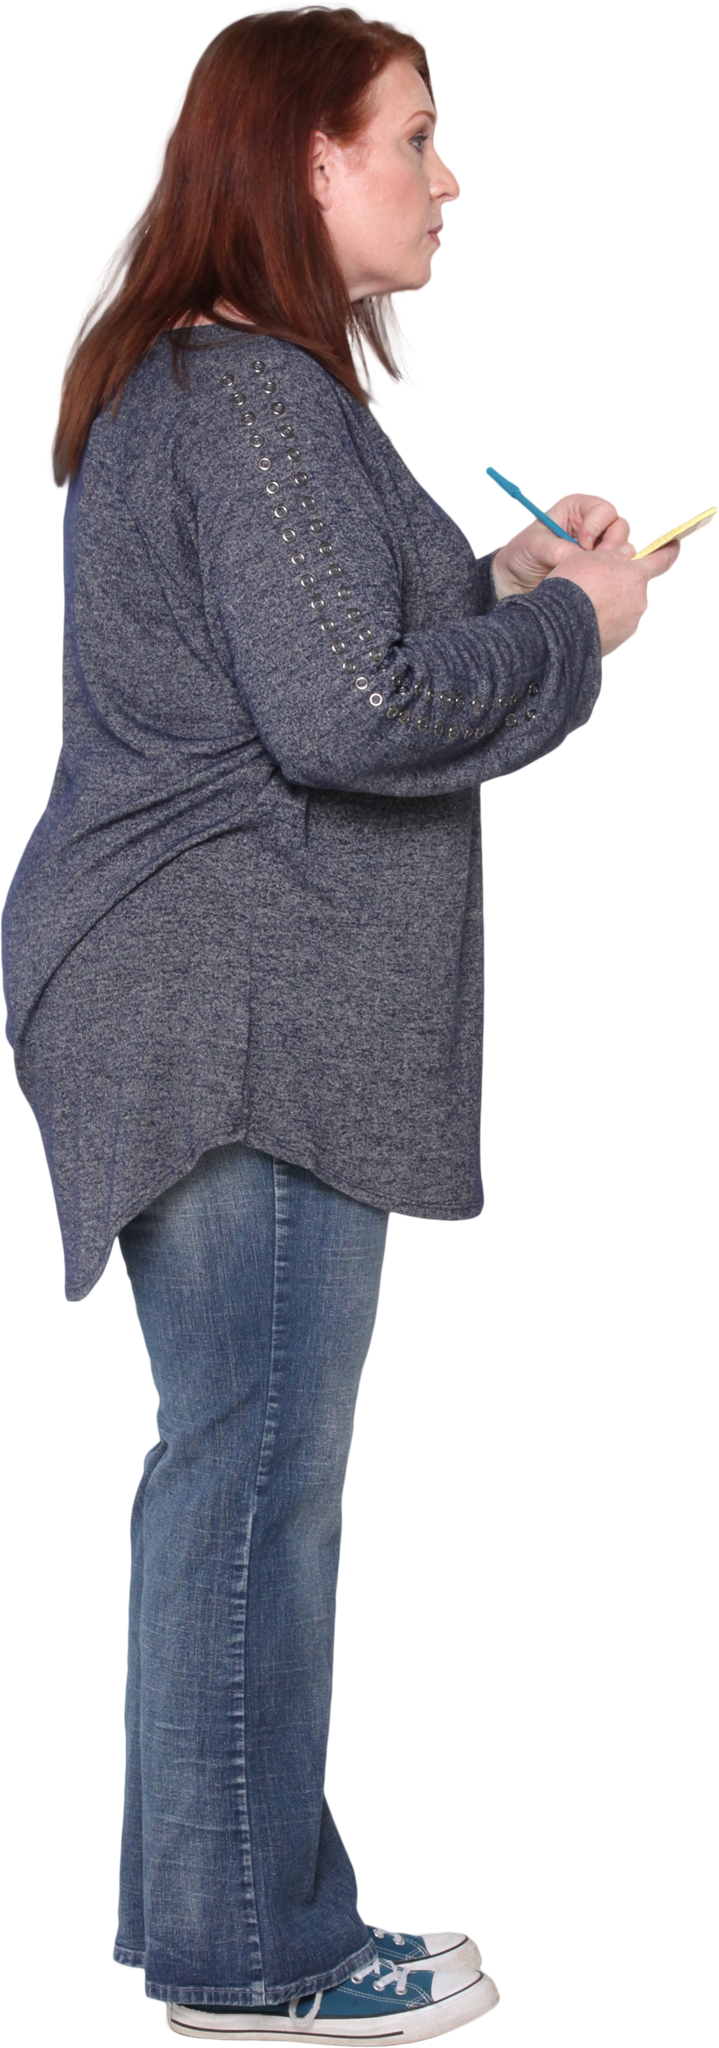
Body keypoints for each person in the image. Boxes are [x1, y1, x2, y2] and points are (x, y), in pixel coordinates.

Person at [1, 11, 682, 2044]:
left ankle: (220, 1925)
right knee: (254, 1473)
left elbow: (321, 657)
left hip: (201, 981)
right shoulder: (251, 395)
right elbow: (354, 715)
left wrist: (503, 579)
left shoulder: (220, 382)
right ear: (307, 159)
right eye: (414, 138)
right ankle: (258, 1957)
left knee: (229, 1464)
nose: (445, 180)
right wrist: (568, 629)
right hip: (240, 1000)